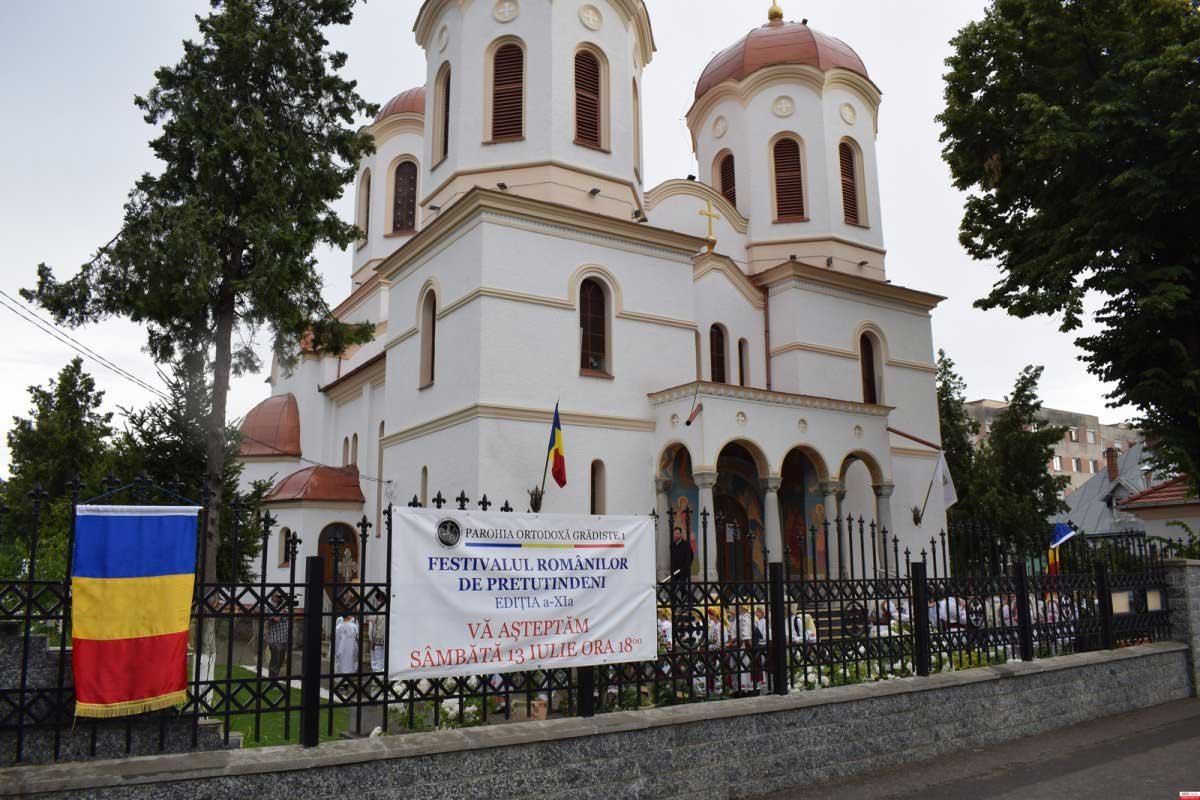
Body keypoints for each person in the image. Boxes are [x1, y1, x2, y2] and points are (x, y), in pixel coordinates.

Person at [266, 605, 289, 678]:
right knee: (275, 661)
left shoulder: (286, 610)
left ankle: (276, 677)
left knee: (280, 662)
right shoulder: (270, 610)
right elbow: (277, 619)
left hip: (284, 640)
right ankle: (272, 679)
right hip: (275, 640)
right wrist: (282, 611)